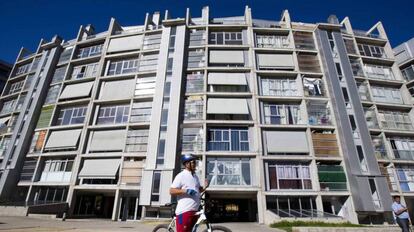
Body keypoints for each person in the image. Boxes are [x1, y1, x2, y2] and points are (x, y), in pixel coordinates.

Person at [170, 154, 208, 232]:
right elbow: (171, 191)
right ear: (187, 164)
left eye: (195, 162)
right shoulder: (181, 176)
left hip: (194, 210)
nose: (195, 164)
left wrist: (205, 187)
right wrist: (185, 191)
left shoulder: (195, 177)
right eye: (193, 162)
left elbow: (198, 190)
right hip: (184, 211)